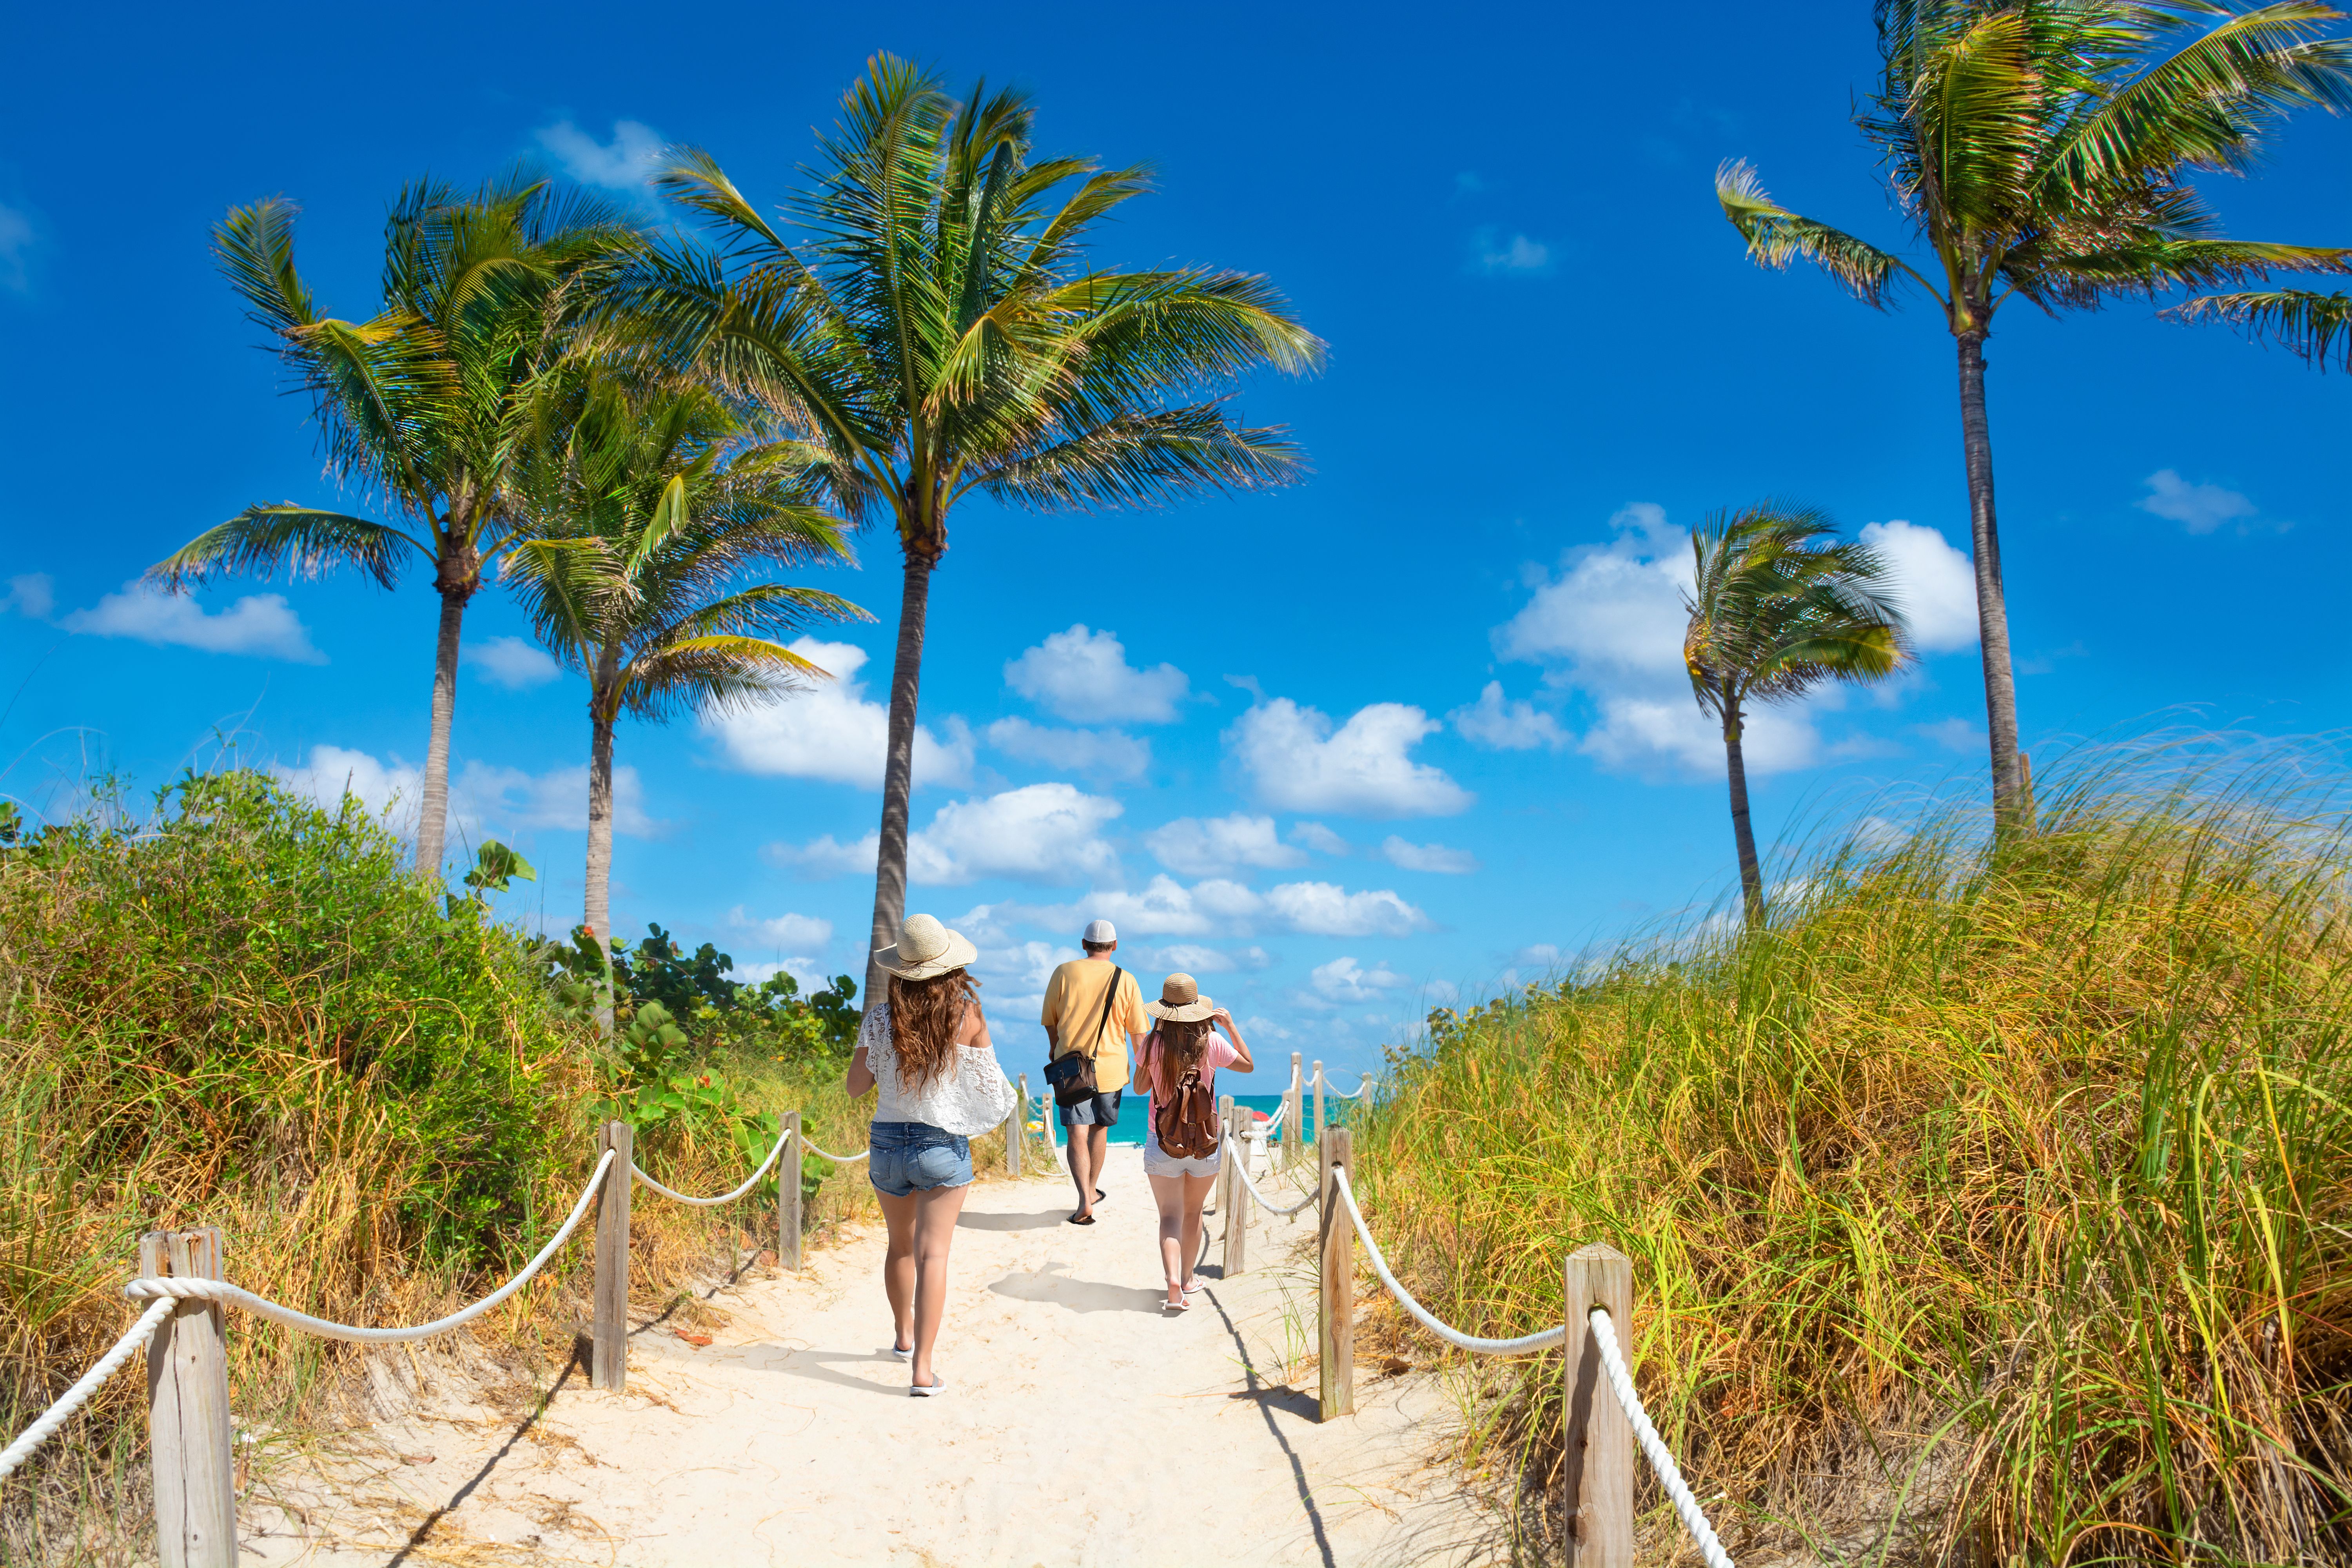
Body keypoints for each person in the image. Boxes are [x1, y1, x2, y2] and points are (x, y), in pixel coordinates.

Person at [845, 913, 1014, 1396]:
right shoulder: (968, 1015)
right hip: (940, 1146)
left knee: (899, 1246)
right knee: (933, 1254)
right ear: (950, 967)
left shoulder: (880, 1017)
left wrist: (881, 1059)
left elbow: (857, 1087)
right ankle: (922, 1370)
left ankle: (902, 1337)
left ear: (901, 968)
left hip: (887, 1144)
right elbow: (991, 1091)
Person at [1136, 973, 1253, 1311]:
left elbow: (1141, 1088)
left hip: (1162, 1142)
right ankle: (1188, 1279)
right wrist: (1230, 1026)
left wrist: (1150, 1047)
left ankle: (1173, 1281)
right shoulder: (1212, 1042)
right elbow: (1248, 1066)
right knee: (1193, 1212)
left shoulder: (1154, 1044)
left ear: (1163, 1011)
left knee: (1170, 1215)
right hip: (1204, 1144)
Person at [1038, 918, 1148, 1225]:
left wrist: (1054, 1047)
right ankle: (1091, 1190)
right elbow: (1139, 1033)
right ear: (1114, 946)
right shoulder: (1126, 979)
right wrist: (1145, 1069)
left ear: (1084, 944)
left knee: (1076, 1131)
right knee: (1100, 1129)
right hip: (1111, 1069)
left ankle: (1084, 1199)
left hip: (1071, 1069)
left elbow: (1050, 1020)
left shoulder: (1064, 972)